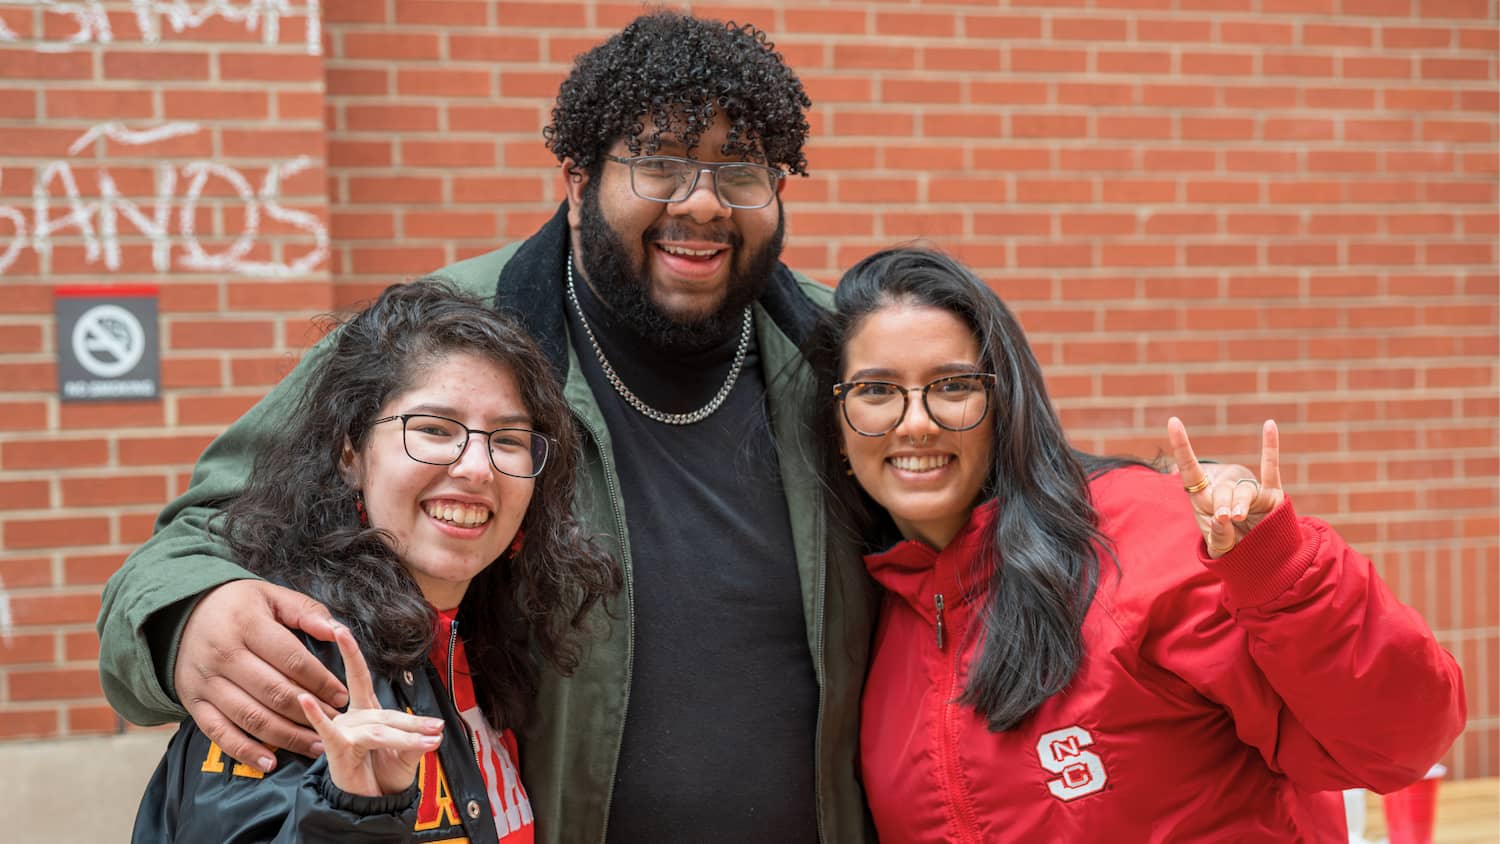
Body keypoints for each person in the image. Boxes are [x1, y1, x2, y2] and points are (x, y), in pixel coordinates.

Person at [98, 11, 877, 843]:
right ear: (578, 181)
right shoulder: (449, 335)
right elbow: (192, 538)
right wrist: (189, 615)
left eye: (741, 170)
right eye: (658, 165)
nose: (703, 204)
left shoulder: (851, 362)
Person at [807, 247, 1466, 843]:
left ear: (1006, 406)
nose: (916, 422)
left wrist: (1282, 572)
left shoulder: (1143, 540)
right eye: (875, 391)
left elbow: (1394, 745)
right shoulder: (863, 615)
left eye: (953, 386)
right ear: (838, 424)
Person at [130, 281, 617, 841]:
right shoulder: (296, 655)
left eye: (508, 439)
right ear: (349, 453)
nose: (477, 467)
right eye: (434, 430)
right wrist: (354, 812)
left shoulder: (492, 643)